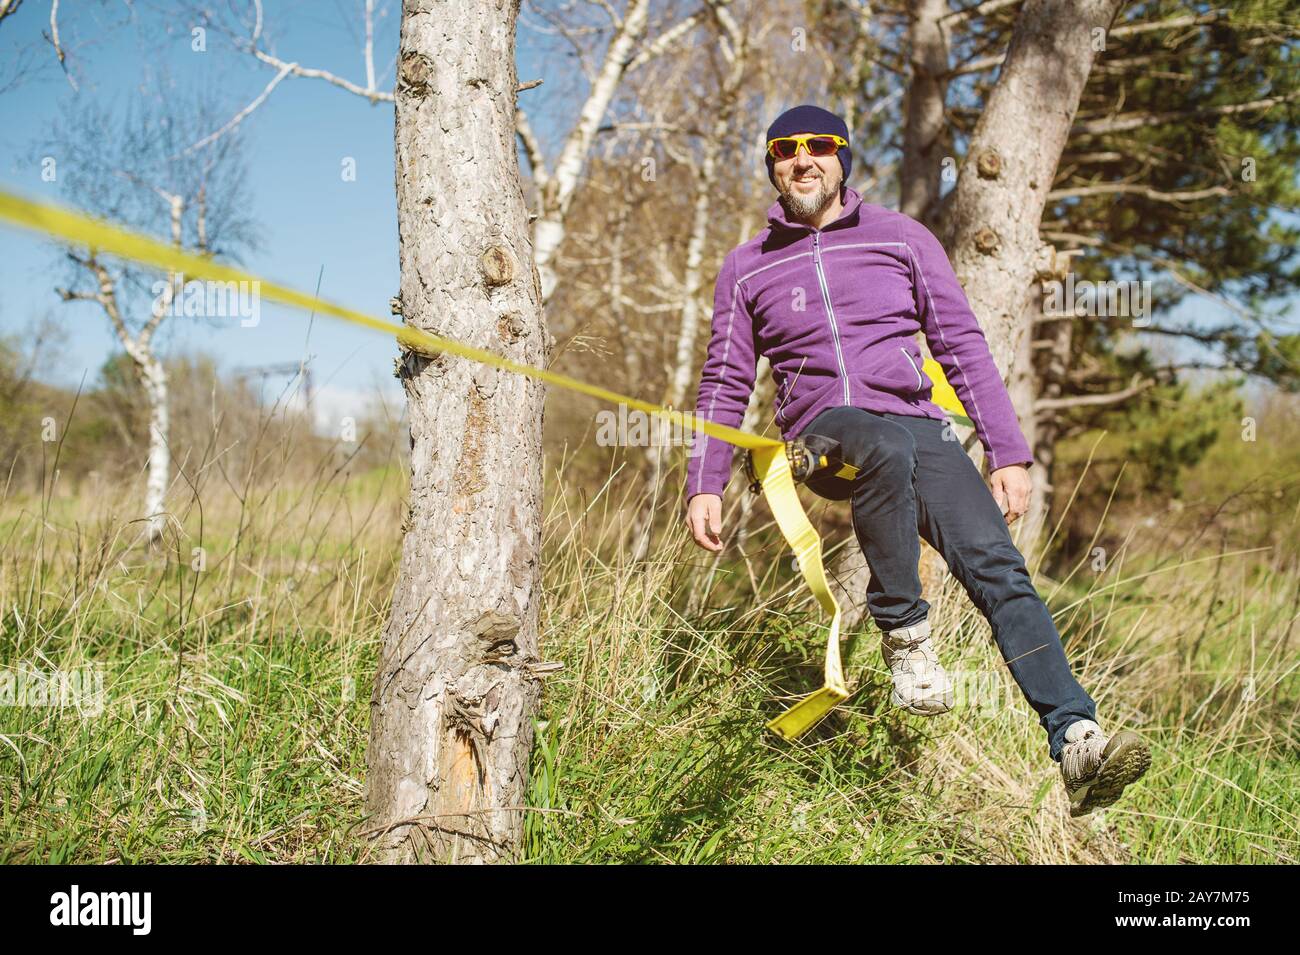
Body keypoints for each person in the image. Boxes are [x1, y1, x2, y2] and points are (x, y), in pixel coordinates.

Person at [682, 104, 1150, 816]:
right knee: (881, 443)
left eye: (817, 147)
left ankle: (1077, 740)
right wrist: (705, 479)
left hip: (918, 426)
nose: (801, 159)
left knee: (997, 563)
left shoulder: (900, 237)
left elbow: (961, 343)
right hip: (821, 435)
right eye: (784, 150)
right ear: (773, 165)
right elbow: (723, 380)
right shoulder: (748, 267)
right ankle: (905, 634)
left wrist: (1007, 449)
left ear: (843, 158)